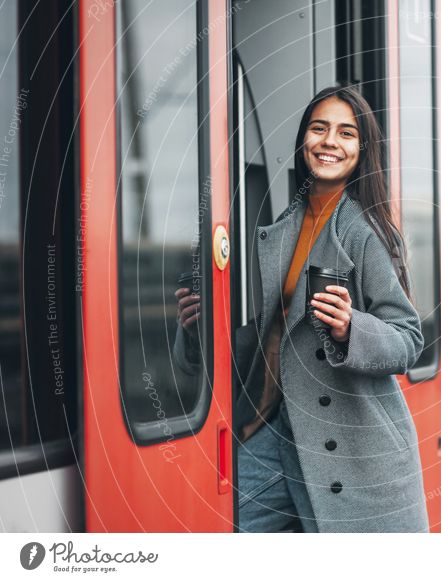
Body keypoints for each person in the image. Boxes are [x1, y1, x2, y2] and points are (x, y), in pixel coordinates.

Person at [173, 85, 427, 532]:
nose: (330, 141)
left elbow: (408, 339)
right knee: (224, 525)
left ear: (362, 151)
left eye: (346, 133)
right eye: (319, 128)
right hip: (282, 429)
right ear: (303, 141)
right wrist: (198, 330)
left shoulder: (366, 232)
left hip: (355, 446)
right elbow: (276, 336)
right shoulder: (280, 231)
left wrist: (353, 329)